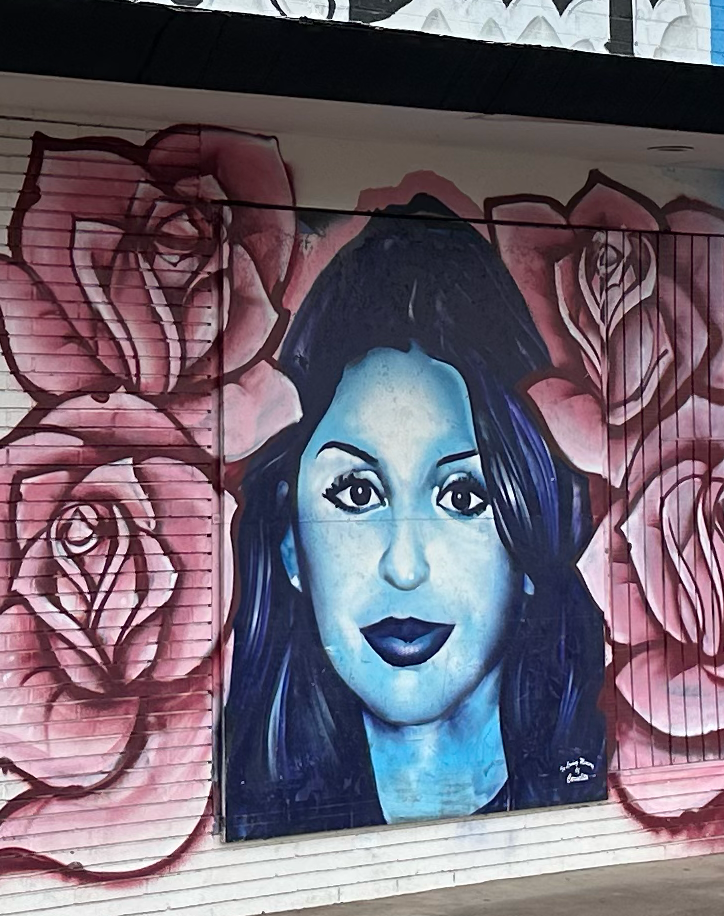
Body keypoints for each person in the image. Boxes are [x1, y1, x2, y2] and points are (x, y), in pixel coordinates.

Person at [222, 198, 609, 840]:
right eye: (354, 493)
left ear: (535, 527)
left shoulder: (594, 769)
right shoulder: (252, 807)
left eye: (462, 497)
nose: (404, 567)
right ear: (290, 543)